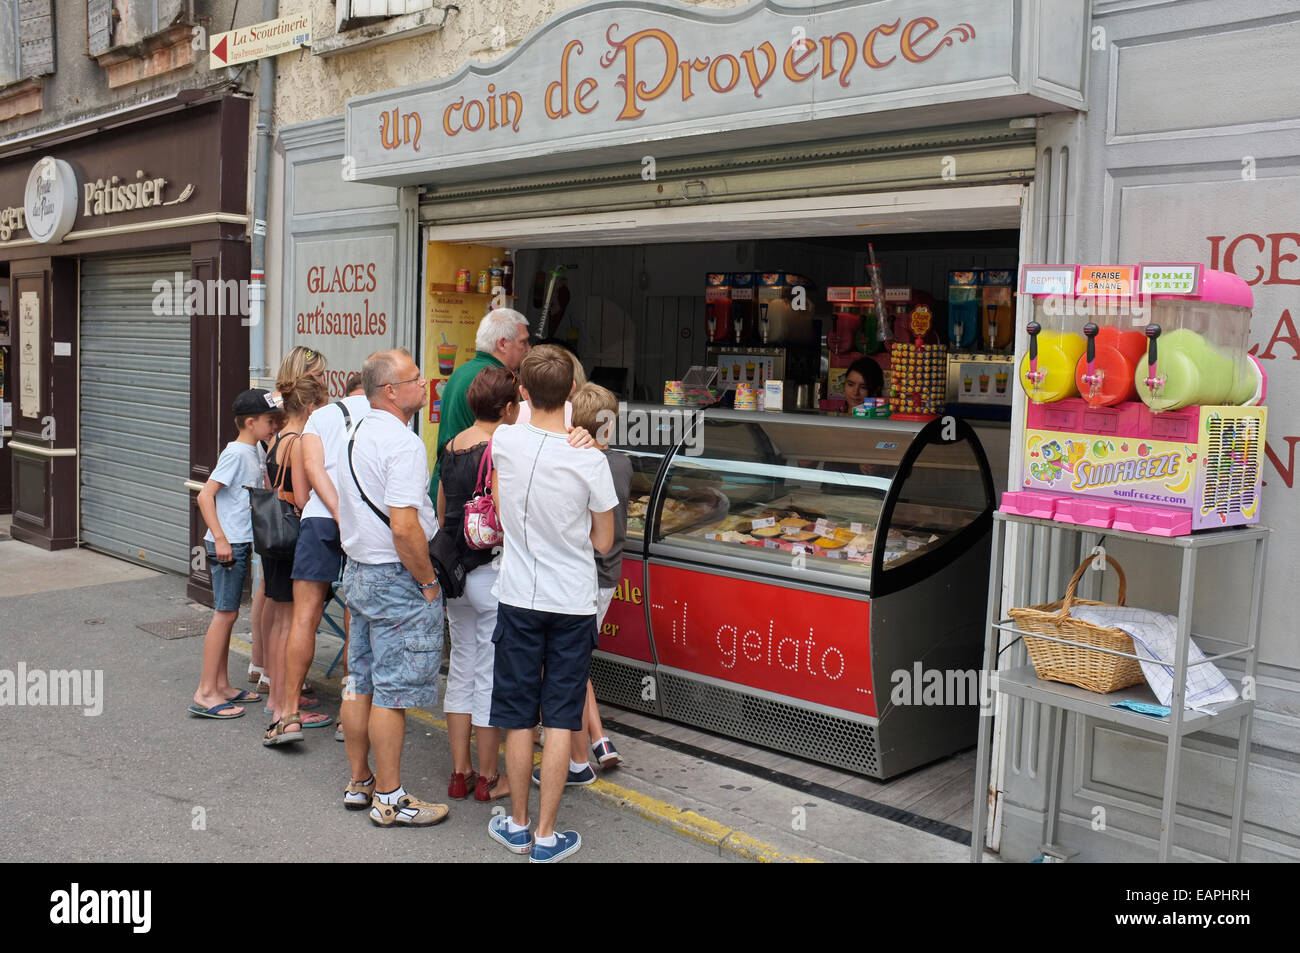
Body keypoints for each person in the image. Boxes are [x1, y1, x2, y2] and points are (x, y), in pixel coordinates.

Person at [486, 345, 618, 863]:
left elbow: (499, 500)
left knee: (518, 714)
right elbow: (604, 542)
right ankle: (545, 835)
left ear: (521, 390)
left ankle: (517, 825)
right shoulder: (589, 458)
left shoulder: (504, 442)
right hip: (572, 598)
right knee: (561, 717)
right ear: (571, 394)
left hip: (518, 594)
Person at [337, 349, 449, 827]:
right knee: (392, 691)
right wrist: (427, 581)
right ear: (390, 391)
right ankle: (391, 798)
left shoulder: (354, 431)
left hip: (359, 569)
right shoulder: (402, 444)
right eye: (415, 379)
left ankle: (361, 781)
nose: (423, 385)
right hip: (395, 576)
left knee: (359, 679)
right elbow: (405, 527)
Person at [268, 367, 370, 743]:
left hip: (319, 521)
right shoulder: (383, 418)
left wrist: (333, 510)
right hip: (365, 525)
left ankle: (289, 714)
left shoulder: (321, 417)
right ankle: (349, 714)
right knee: (355, 621)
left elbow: (309, 473)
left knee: (304, 618)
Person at [437, 366, 519, 802]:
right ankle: (487, 777)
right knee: (489, 675)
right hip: (490, 572)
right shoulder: (500, 449)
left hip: (454, 573)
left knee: (462, 669)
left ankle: (459, 772)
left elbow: (442, 512)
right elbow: (505, 517)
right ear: (506, 408)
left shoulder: (450, 447)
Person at [189, 389, 281, 719]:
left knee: (229, 614)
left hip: (240, 541)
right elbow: (205, 497)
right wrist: (221, 537)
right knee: (224, 614)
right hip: (229, 544)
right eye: (270, 421)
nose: (274, 427)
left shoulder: (254, 449)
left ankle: (222, 685)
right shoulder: (236, 453)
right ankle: (205, 692)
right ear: (251, 422)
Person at [557, 382, 630, 778]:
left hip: (585, 574)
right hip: (610, 574)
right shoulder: (621, 463)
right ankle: (600, 740)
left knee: (569, 667)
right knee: (578, 662)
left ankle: (578, 759)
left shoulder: (581, 463)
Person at [261, 346, 332, 740]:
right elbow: (304, 499)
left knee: (280, 620)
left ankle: (276, 696)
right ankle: (282, 702)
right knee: (293, 621)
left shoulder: (275, 437)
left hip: (273, 536)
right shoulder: (300, 440)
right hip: (292, 536)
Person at [429, 308, 531, 505]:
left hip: (447, 488)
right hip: (473, 501)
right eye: (523, 342)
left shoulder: (462, 372)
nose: (529, 348)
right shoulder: (499, 382)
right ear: (502, 343)